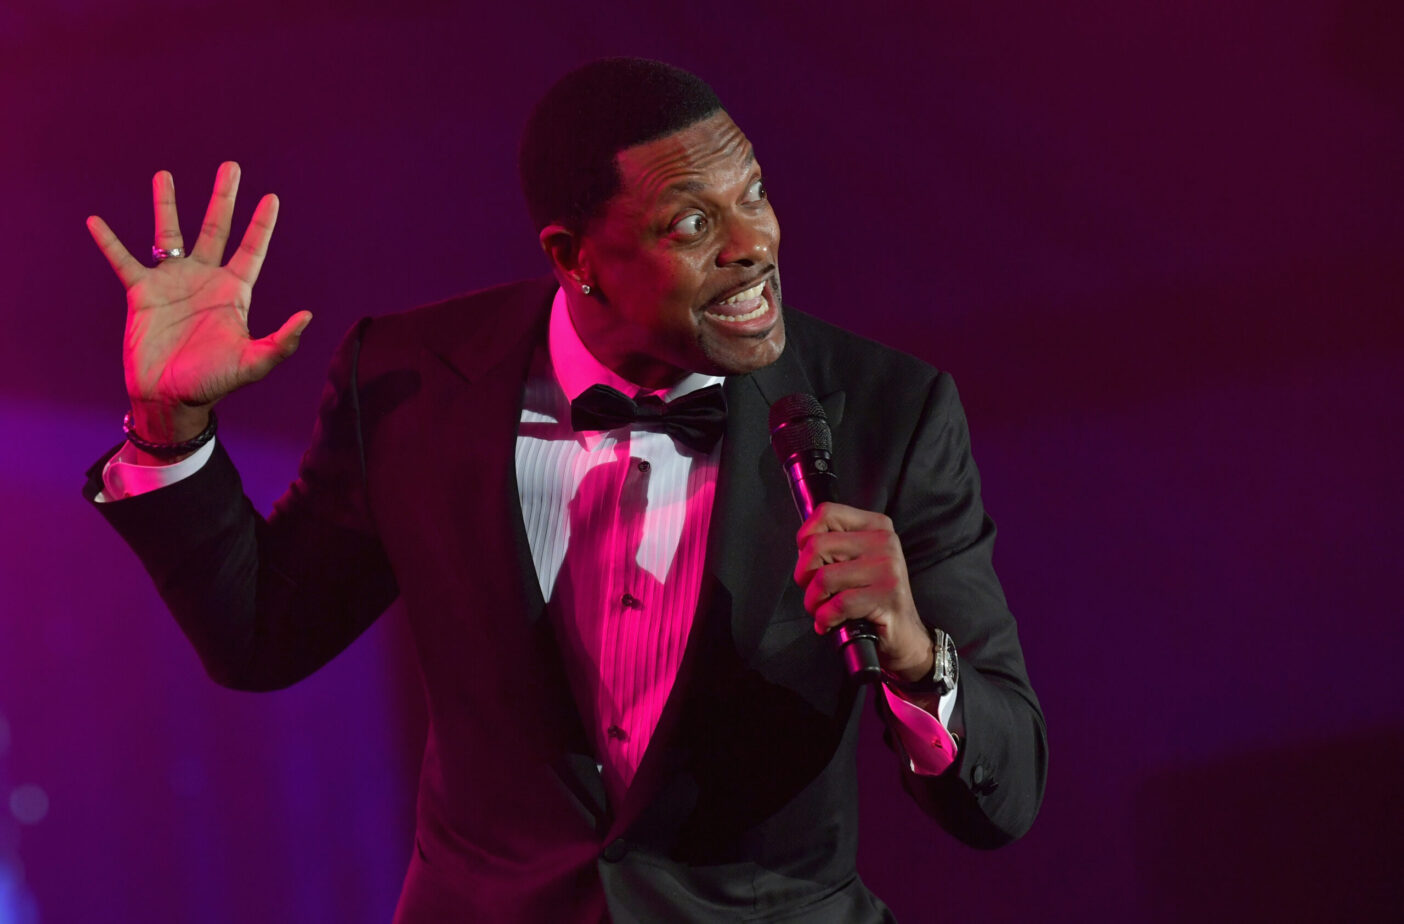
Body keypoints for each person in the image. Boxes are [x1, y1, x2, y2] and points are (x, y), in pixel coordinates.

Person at [83, 58, 1046, 922]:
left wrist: (919, 655)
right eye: (695, 222)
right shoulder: (410, 380)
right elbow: (263, 635)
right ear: (572, 256)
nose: (754, 244)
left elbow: (1004, 799)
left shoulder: (891, 412)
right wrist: (169, 426)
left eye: (754, 192)